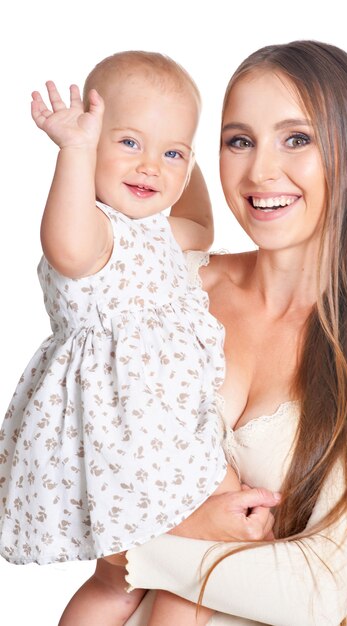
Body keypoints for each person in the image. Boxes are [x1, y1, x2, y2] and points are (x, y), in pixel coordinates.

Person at [123, 40, 347, 625]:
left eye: (297, 139)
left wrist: (127, 554)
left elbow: (317, 591)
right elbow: (63, 455)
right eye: (240, 141)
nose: (260, 170)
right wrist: (180, 530)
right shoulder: (171, 288)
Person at [0, 50, 247, 626]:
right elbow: (65, 244)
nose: (150, 168)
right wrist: (75, 151)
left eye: (171, 153)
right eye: (130, 143)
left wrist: (182, 158)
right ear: (93, 139)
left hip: (169, 439)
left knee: (173, 573)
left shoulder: (157, 236)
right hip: (123, 451)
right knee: (149, 574)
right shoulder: (94, 234)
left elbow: (202, 227)